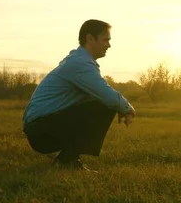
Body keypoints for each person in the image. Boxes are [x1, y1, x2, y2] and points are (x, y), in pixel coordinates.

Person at [22, 19, 135, 171]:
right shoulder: (80, 64)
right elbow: (106, 95)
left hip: (40, 127)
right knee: (103, 106)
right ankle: (65, 160)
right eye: (105, 40)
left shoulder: (79, 61)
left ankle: (69, 159)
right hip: (40, 131)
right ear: (89, 38)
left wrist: (121, 106)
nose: (109, 45)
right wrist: (127, 108)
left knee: (100, 103)